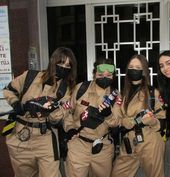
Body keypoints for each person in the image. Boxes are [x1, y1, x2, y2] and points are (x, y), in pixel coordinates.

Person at [3, 47, 77, 177]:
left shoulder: (66, 90)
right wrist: (16, 104)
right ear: (53, 61)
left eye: (67, 65)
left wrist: (51, 111)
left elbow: (57, 118)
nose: (63, 67)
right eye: (60, 63)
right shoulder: (30, 76)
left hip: (45, 136)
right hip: (21, 134)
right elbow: (9, 90)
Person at [64, 57, 122, 177]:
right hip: (78, 144)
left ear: (113, 76)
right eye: (100, 74)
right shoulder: (80, 89)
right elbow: (67, 111)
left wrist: (108, 115)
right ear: (94, 74)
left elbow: (117, 122)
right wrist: (69, 128)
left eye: (109, 75)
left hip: (103, 147)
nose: (104, 77)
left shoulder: (115, 96)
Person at [111, 54, 166, 177]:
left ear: (143, 71)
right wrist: (123, 121)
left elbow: (163, 120)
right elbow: (117, 118)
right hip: (128, 141)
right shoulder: (122, 94)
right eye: (131, 67)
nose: (134, 69)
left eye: (138, 67)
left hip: (150, 140)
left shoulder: (153, 92)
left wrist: (152, 121)